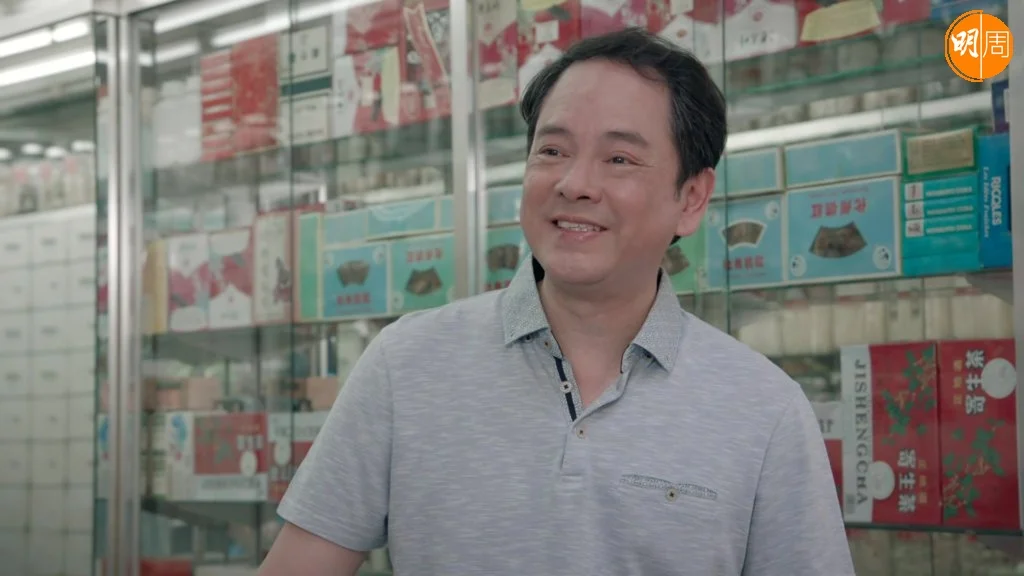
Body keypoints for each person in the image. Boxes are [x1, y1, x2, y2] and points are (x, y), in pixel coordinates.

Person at [259, 27, 854, 576]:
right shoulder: (406, 365)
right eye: (552, 151)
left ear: (692, 198)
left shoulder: (764, 410)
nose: (574, 183)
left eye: (619, 159)